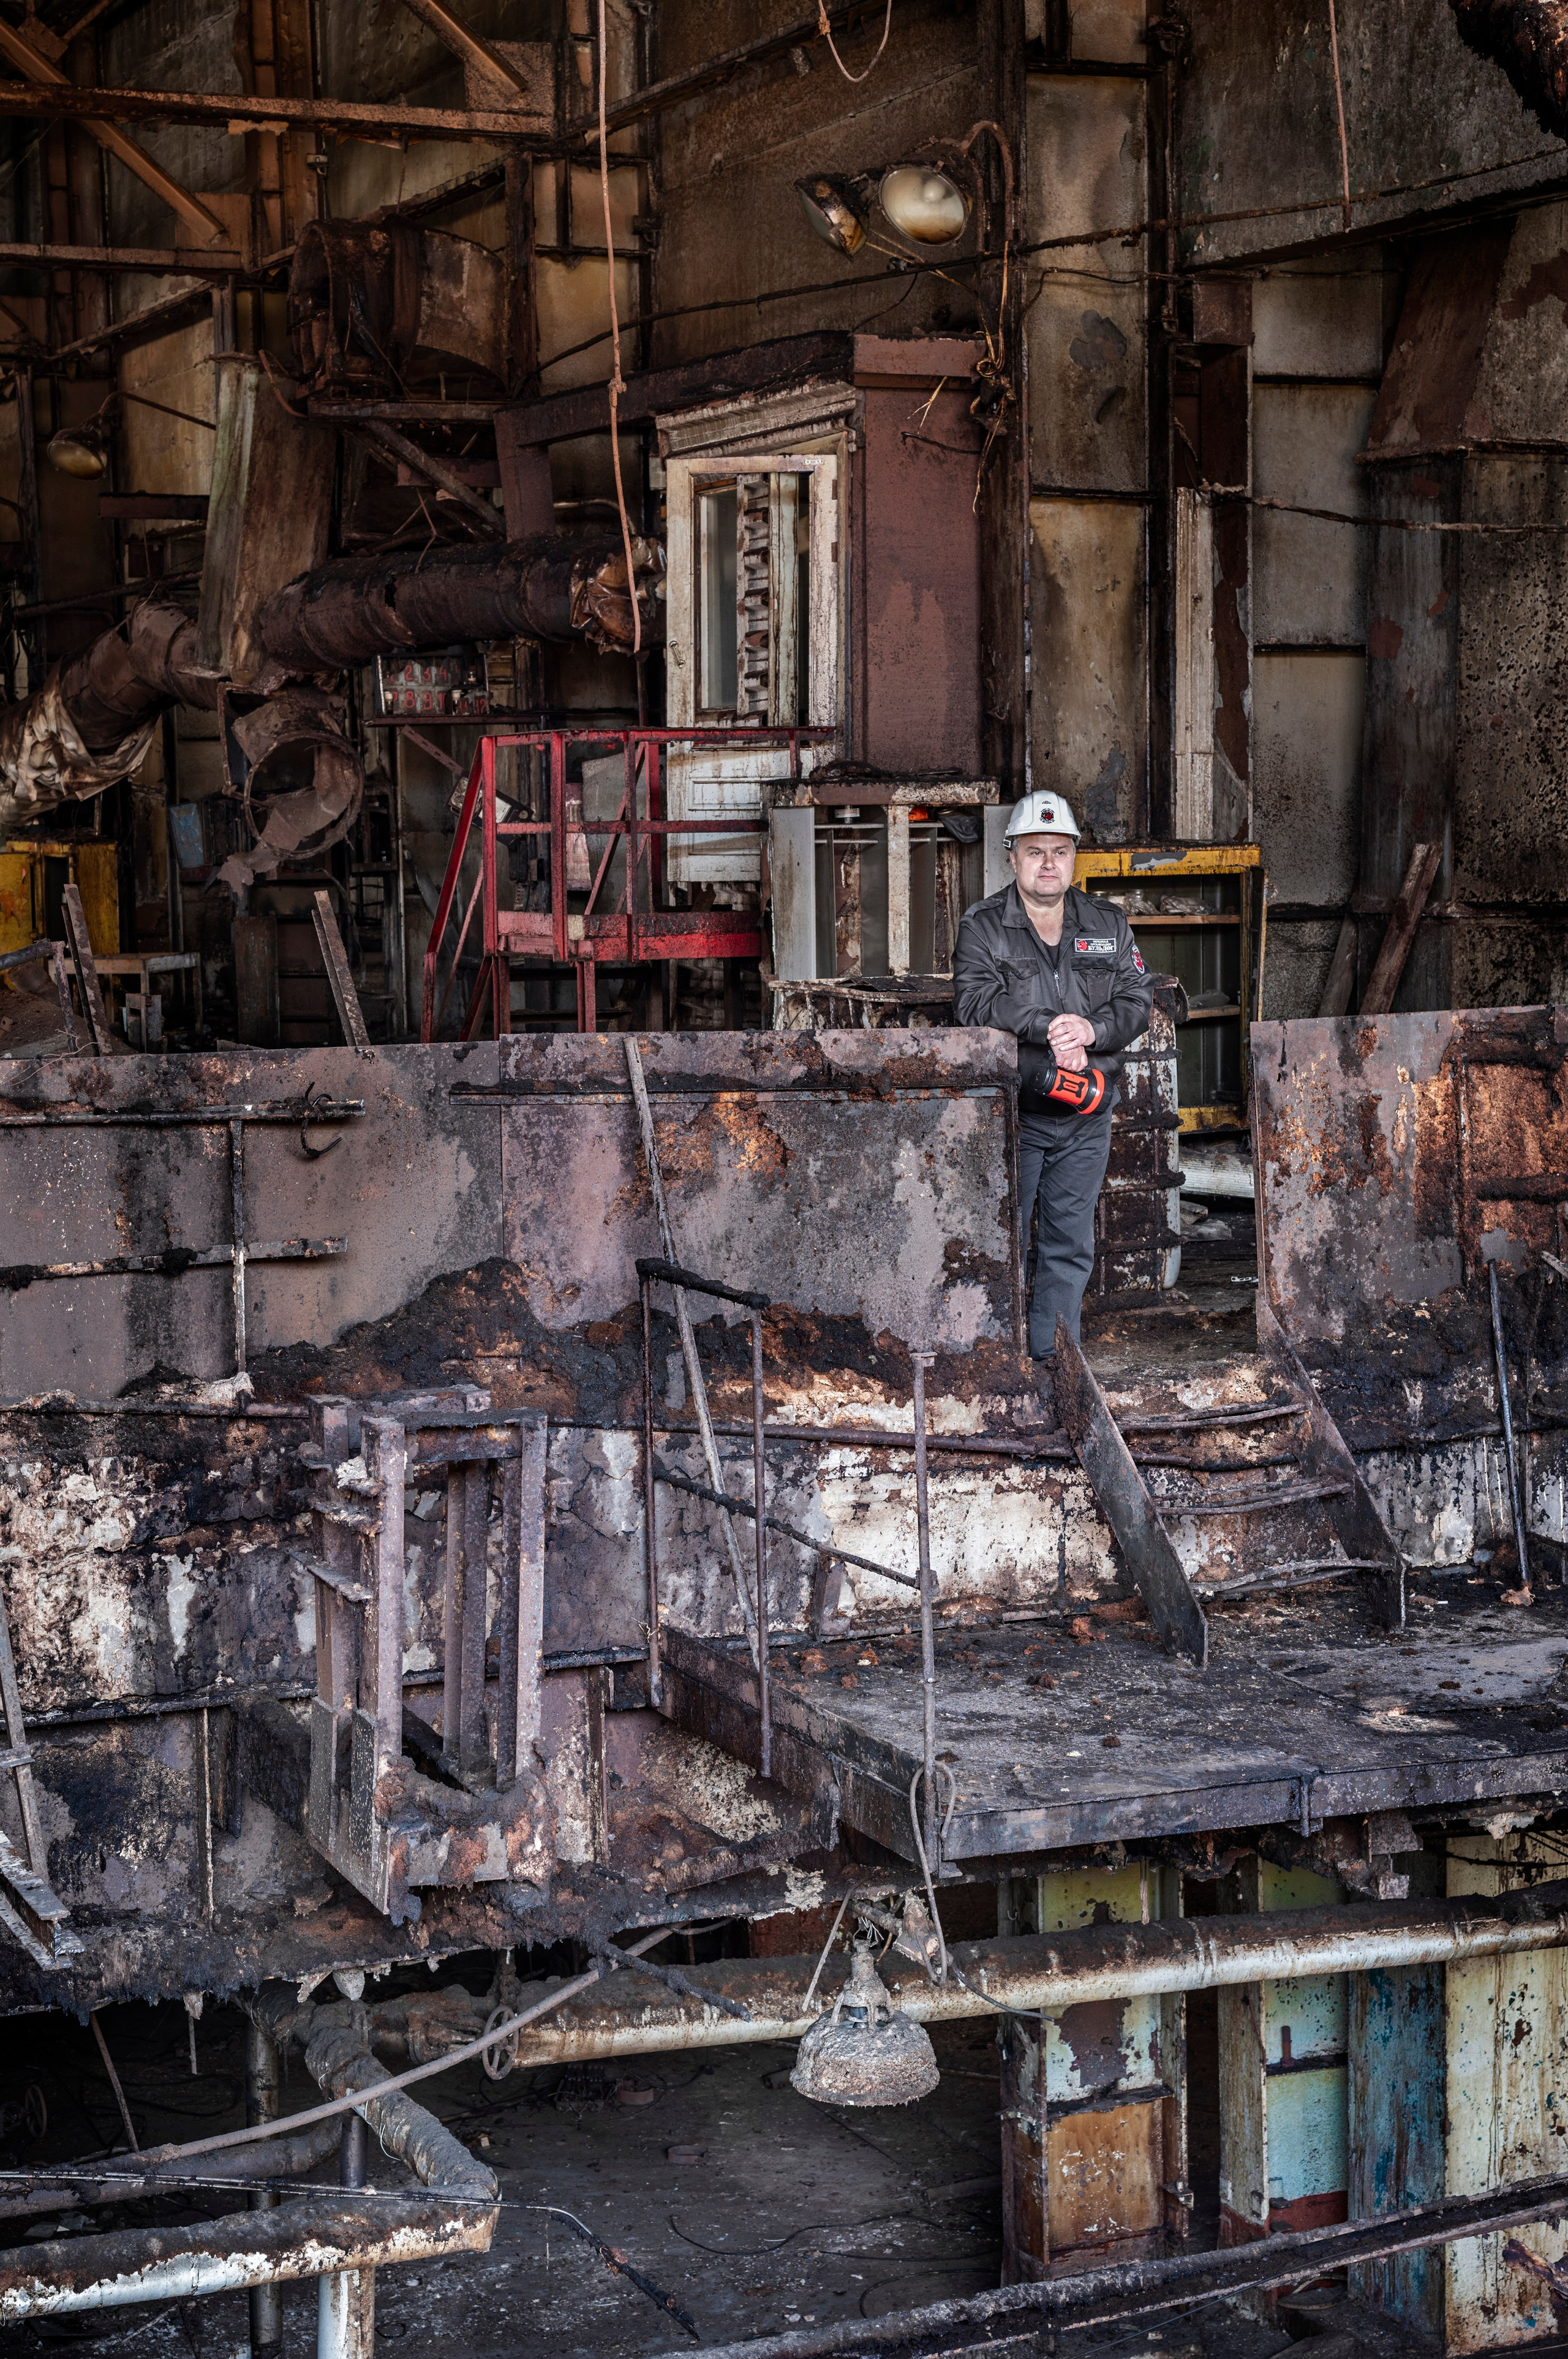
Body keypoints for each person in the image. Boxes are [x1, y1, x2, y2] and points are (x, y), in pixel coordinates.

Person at [952, 790, 1152, 1357]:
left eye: (1059, 851)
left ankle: (1051, 1365)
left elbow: (1136, 999)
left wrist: (1091, 1032)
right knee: (1001, 1241)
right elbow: (972, 1003)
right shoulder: (984, 927)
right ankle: (992, 1363)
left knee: (1068, 1244)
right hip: (1014, 1117)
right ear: (1011, 856)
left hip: (1087, 1113)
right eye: (1034, 850)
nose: (1048, 863)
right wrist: (1050, 1025)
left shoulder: (1108, 924)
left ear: (1073, 858)